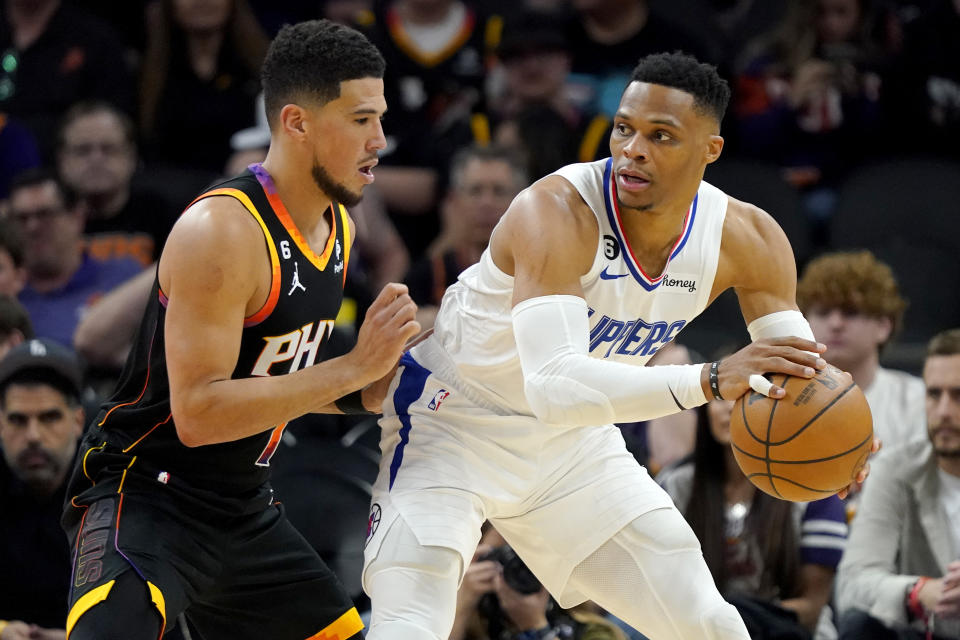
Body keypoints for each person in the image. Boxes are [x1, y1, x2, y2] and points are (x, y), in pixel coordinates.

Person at [362, 51, 874, 640]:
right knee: (408, 624)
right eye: (625, 128)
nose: (633, 148)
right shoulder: (554, 211)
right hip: (453, 423)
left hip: (572, 449)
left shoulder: (749, 238)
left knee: (707, 623)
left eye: (661, 136)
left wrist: (846, 440)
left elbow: (799, 378)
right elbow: (553, 385)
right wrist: (708, 380)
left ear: (710, 151)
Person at [60, 19, 419, 640]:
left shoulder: (340, 227)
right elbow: (198, 414)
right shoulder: (222, 231)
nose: (380, 140)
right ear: (296, 122)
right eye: (361, 120)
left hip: (242, 506)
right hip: (147, 494)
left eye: (380, 118)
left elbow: (282, 379)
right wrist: (354, 366)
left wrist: (373, 390)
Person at [658, 392, 848, 639]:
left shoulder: (813, 487)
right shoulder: (673, 485)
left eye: (746, 397)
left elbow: (811, 608)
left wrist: (735, 619)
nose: (729, 408)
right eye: (720, 397)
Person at [835, 328, 960, 640]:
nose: (944, 411)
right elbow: (851, 586)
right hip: (926, 631)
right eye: (934, 394)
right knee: (858, 626)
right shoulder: (894, 469)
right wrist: (918, 592)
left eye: (959, 396)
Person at [797, 250, 926, 456]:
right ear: (804, 322)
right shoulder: (781, 400)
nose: (836, 324)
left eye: (851, 312)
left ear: (883, 326)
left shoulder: (918, 402)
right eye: (823, 312)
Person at [0, 338, 85, 639]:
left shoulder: (112, 487)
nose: (33, 436)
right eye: (18, 420)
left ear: (78, 421)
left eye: (49, 417)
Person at [10, 168, 143, 347]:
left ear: (77, 216)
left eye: (45, 214)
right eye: (21, 218)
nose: (32, 227)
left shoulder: (126, 277)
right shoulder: (7, 293)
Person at [405, 144, 527, 329]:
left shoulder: (540, 271)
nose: (487, 203)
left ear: (521, 201)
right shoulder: (427, 276)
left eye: (499, 191)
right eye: (475, 191)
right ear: (455, 201)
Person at [56, 100, 179, 267]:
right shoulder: (46, 219)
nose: (96, 159)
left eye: (108, 149)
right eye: (83, 150)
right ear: (62, 160)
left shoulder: (160, 215)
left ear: (131, 157)